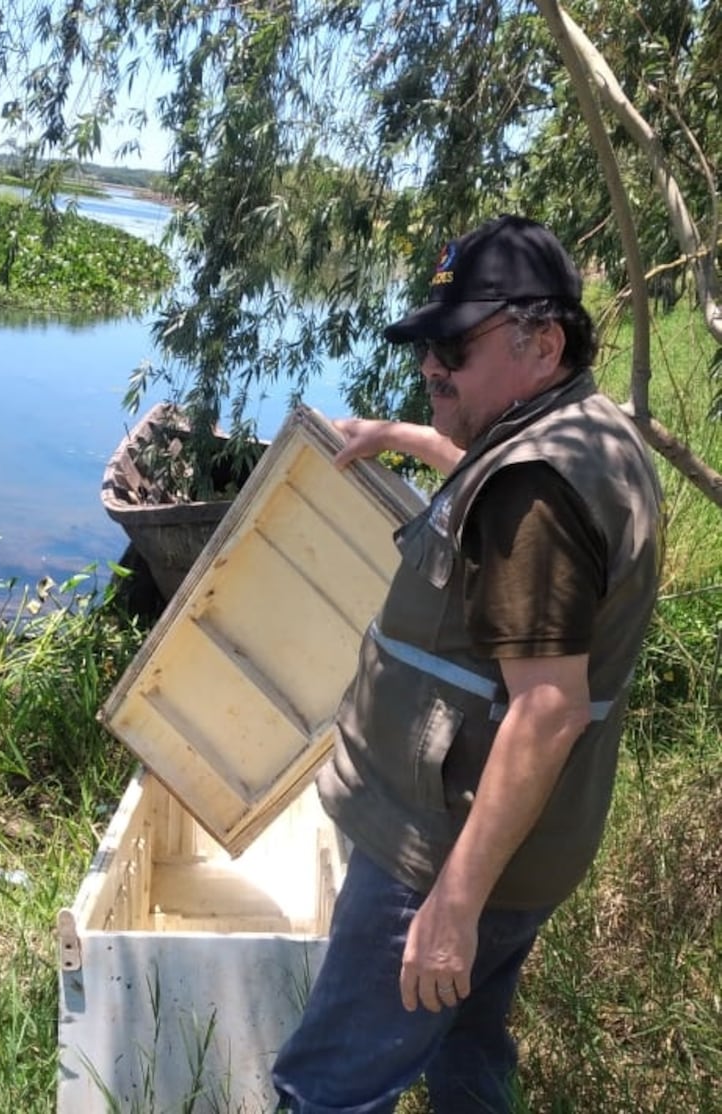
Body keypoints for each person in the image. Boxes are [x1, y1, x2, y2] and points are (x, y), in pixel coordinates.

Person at [272, 214, 663, 1114]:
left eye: (454, 344)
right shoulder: (577, 439)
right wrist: (404, 435)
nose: (432, 365)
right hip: (510, 851)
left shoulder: (539, 486)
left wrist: (453, 904)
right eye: (426, 345)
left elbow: (548, 708)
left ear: (544, 342)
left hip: (439, 854)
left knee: (329, 1087)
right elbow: (490, 511)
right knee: (467, 1058)